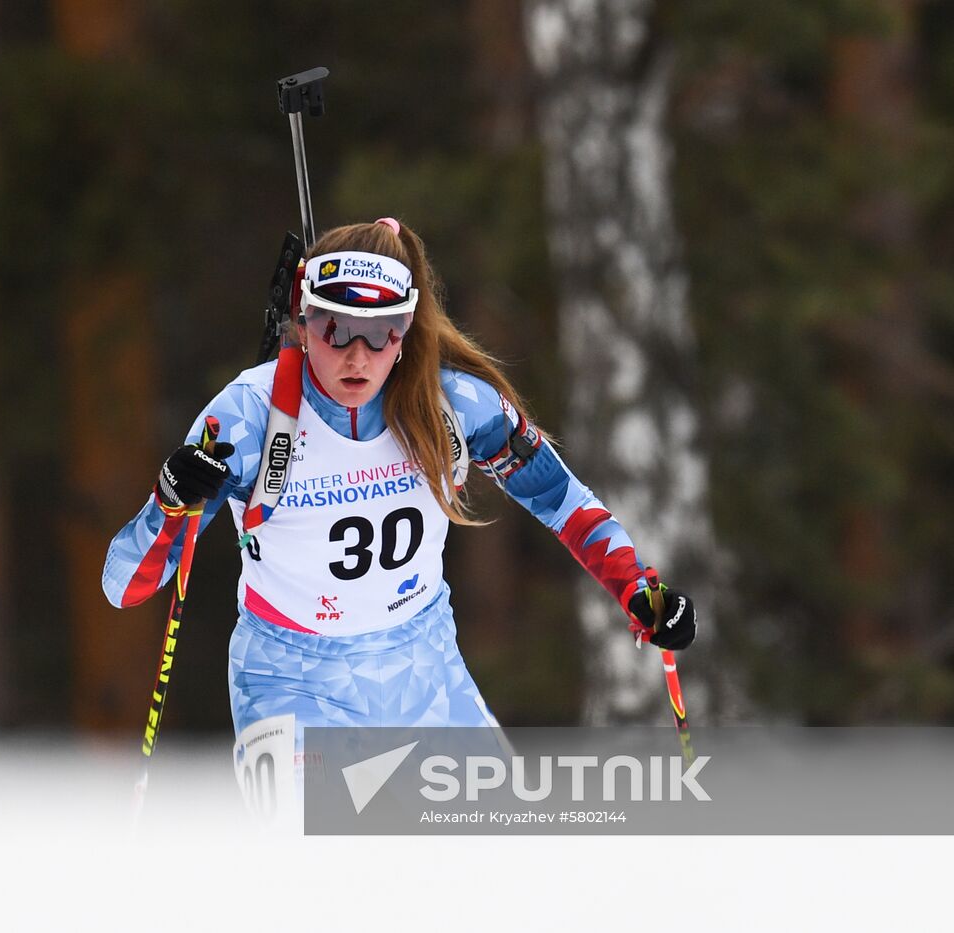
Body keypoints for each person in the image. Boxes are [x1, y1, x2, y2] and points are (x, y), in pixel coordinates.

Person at [103, 218, 696, 795]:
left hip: (423, 673)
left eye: (381, 331)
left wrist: (637, 589)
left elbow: (563, 502)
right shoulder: (250, 416)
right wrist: (170, 501)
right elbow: (122, 586)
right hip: (292, 680)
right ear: (303, 319)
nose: (357, 357)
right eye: (336, 329)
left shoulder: (453, 406)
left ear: (407, 327)